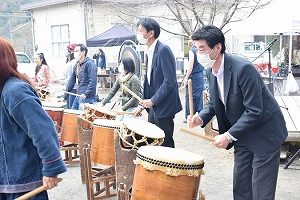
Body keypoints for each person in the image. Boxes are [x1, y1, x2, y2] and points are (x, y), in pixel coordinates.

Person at [188, 25, 288, 200]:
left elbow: (254, 110)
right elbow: (215, 102)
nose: (198, 53)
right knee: (241, 187)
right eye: (196, 48)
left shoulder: (243, 68)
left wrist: (228, 135)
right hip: (241, 134)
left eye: (202, 48)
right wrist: (201, 118)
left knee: (261, 193)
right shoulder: (210, 70)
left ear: (217, 48)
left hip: (265, 133)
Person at [0, 37, 66, 199]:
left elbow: (43, 130)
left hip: (23, 182)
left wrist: (51, 168)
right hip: (6, 181)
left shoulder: (15, 91)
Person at [133, 17, 182, 148]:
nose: (138, 34)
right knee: (153, 142)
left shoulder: (163, 50)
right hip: (153, 106)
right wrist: (142, 105)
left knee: (165, 143)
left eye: (140, 30)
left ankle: (170, 168)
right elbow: (148, 82)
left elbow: (169, 81)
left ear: (151, 33)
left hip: (164, 106)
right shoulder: (149, 52)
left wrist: (153, 100)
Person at [100, 57, 141, 121]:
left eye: (122, 64)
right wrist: (102, 103)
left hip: (132, 107)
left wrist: (122, 109)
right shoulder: (120, 78)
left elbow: (135, 98)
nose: (120, 66)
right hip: (123, 106)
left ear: (127, 66)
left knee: (126, 125)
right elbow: (112, 92)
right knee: (117, 123)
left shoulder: (134, 79)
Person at [63, 43, 97, 110]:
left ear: (83, 52)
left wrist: (86, 94)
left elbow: (93, 81)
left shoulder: (89, 64)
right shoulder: (77, 65)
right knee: (73, 115)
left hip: (86, 97)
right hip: (79, 95)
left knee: (81, 118)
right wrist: (64, 97)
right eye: (74, 51)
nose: (74, 53)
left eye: (77, 51)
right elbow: (71, 81)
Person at [182, 42, 205, 123]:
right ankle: (199, 115)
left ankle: (189, 116)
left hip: (193, 76)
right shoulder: (201, 50)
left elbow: (190, 66)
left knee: (190, 97)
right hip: (200, 75)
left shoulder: (192, 51)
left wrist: (186, 78)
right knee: (199, 96)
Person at [59, 43, 77, 109]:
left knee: (71, 107)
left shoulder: (74, 61)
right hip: (67, 87)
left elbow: (73, 75)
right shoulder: (68, 62)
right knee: (68, 106)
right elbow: (64, 74)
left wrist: (64, 81)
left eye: (68, 49)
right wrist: (61, 79)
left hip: (73, 88)